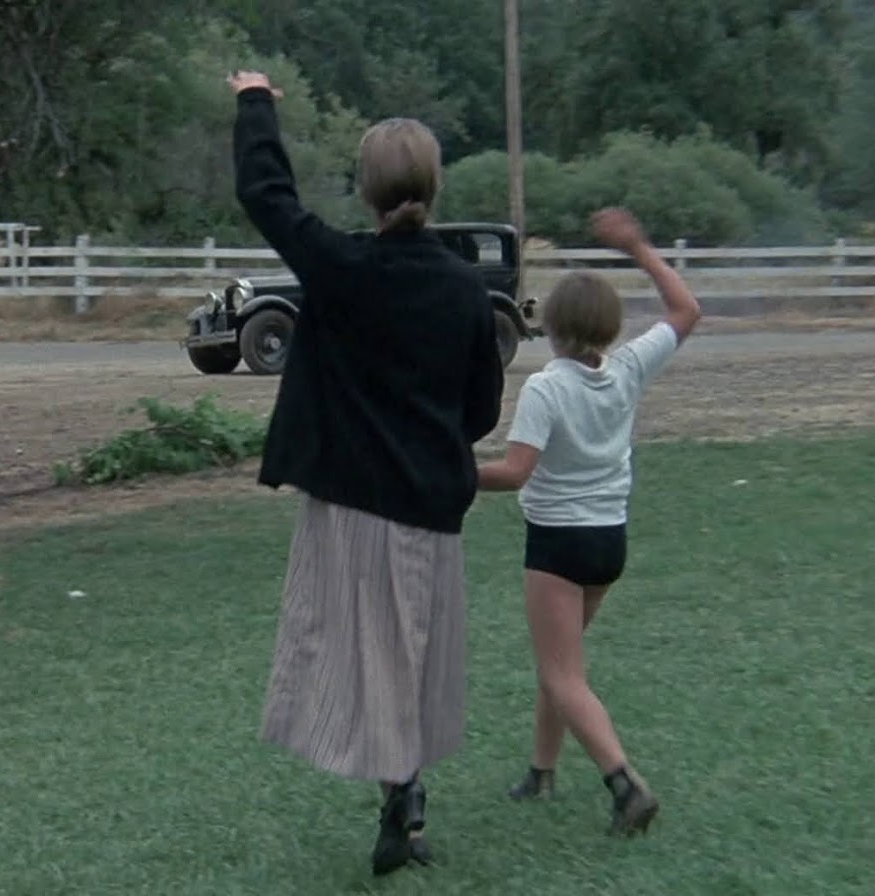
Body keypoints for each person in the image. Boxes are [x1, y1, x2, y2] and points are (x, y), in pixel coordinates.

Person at [227, 70, 506, 875]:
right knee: (409, 657)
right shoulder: (466, 290)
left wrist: (255, 101)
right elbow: (480, 409)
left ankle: (402, 796)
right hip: (431, 507)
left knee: (369, 656)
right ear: (433, 187)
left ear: (365, 191)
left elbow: (266, 194)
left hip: (354, 503)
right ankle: (402, 800)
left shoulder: (340, 267)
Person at [475, 207, 702, 836]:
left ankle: (625, 785)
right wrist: (639, 247)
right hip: (609, 543)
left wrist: (454, 474)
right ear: (608, 326)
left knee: (561, 673)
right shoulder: (627, 368)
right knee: (561, 665)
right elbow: (686, 310)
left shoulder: (546, 388)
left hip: (558, 545)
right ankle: (541, 772)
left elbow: (515, 472)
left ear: (549, 326)